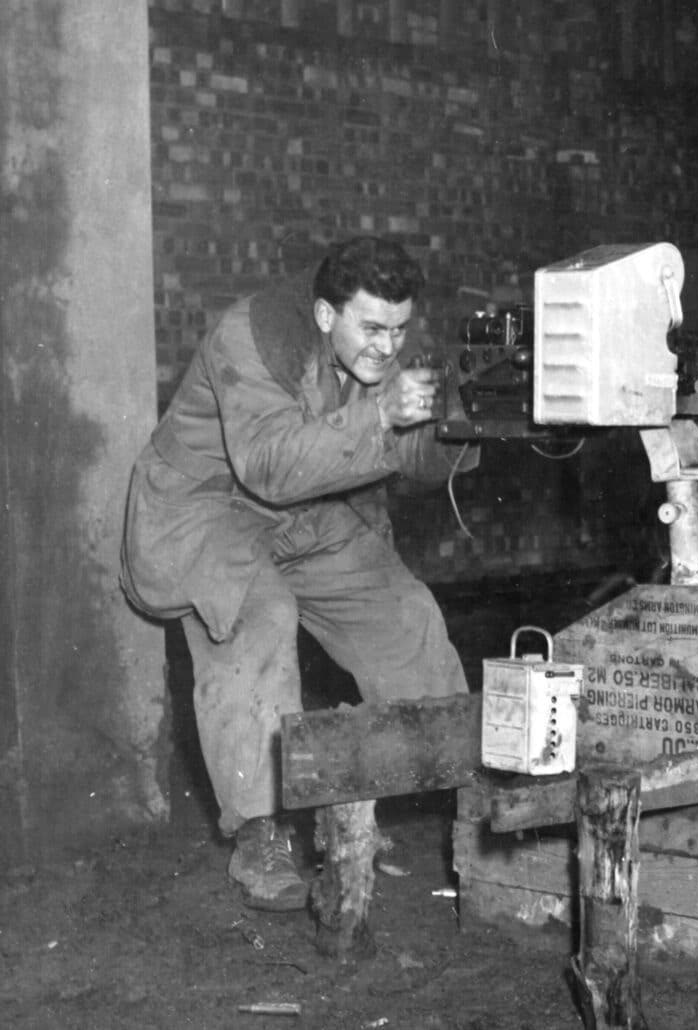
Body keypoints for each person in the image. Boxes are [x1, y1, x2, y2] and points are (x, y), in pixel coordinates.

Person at [121, 236, 477, 911]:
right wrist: (381, 413)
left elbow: (414, 464)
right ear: (323, 315)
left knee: (405, 611)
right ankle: (260, 835)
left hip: (303, 516)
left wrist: (466, 428)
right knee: (261, 614)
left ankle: (455, 788)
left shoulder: (386, 338)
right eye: (371, 329)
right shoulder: (251, 337)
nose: (386, 346)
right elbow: (268, 467)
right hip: (201, 510)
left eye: (398, 330)